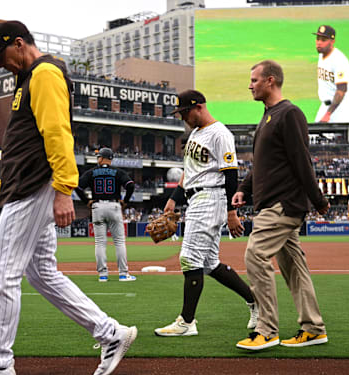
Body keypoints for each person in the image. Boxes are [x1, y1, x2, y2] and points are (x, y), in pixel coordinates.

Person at [0, 20, 137, 375]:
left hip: (34, 189)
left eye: (0, 55)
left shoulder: (45, 73)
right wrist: (1, 185)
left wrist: (65, 189)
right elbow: (27, 141)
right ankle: (110, 333)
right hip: (23, 186)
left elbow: (57, 133)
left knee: (4, 275)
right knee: (41, 272)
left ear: (19, 44)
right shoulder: (31, 76)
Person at [233, 60, 329, 351]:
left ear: (270, 81)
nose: (250, 85)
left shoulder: (289, 113)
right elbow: (264, 164)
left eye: (254, 80)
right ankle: (313, 328)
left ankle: (266, 329)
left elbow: (302, 160)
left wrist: (319, 200)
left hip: (282, 204)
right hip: (272, 202)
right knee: (294, 269)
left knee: (255, 255)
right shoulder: (267, 117)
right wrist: (243, 189)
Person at [154, 89, 258, 337]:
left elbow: (230, 173)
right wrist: (173, 200)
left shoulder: (220, 133)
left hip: (211, 197)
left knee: (189, 258)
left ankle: (187, 322)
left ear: (198, 106)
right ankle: (256, 301)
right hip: (195, 197)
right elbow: (188, 172)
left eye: (184, 112)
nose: (182, 118)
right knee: (209, 264)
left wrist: (232, 211)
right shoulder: (195, 135)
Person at [74, 147, 136, 282]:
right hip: (114, 206)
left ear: (102, 158)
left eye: (98, 157)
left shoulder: (92, 172)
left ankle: (103, 275)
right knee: (119, 241)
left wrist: (86, 201)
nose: (97, 159)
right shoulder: (117, 172)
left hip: (97, 206)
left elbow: (77, 187)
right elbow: (130, 185)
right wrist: (125, 201)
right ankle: (123, 274)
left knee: (100, 243)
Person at [314, 25, 349, 123]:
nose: (319, 42)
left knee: (337, 138)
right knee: (313, 136)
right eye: (318, 39)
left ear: (332, 42)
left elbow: (341, 90)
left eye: (323, 40)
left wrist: (328, 114)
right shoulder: (321, 55)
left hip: (340, 109)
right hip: (325, 106)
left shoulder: (339, 60)